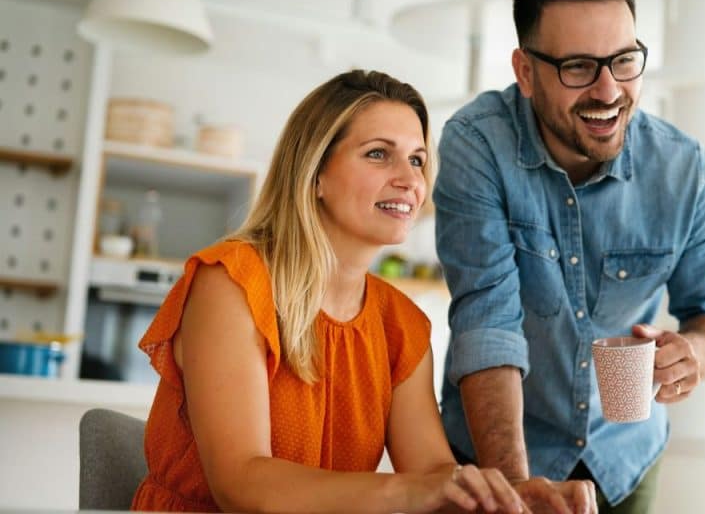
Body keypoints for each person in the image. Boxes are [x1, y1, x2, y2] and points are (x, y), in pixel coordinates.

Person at [131, 70, 525, 514]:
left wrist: (508, 499)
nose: (409, 180)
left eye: (417, 160)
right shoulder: (231, 284)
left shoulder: (401, 324)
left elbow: (434, 473)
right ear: (315, 174)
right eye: (378, 154)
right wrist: (405, 491)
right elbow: (240, 483)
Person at [433, 0, 705, 514]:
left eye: (624, 61)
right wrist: (514, 489)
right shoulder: (477, 145)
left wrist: (694, 351)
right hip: (495, 452)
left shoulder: (684, 170)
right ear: (525, 72)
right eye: (578, 66)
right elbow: (487, 320)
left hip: (624, 457)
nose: (608, 91)